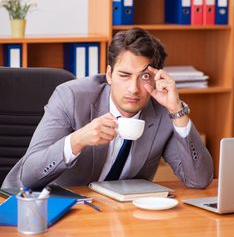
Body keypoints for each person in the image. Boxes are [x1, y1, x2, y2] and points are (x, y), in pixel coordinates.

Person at [2, 28, 213, 189]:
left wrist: (177, 112)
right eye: (124, 75)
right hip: (50, 206)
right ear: (109, 74)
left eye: (145, 76)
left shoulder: (164, 109)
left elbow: (199, 180)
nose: (134, 88)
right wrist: (77, 141)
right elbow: (27, 175)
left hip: (118, 216)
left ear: (158, 78)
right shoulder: (71, 97)